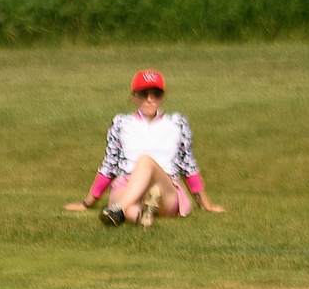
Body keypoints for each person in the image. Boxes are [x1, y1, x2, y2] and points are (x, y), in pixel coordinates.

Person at [66, 70, 224, 226]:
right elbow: (110, 165)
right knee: (129, 207)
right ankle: (141, 216)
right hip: (128, 182)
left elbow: (187, 165)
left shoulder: (177, 123)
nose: (150, 100)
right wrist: (86, 203)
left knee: (145, 161)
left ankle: (121, 209)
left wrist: (206, 205)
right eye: (144, 94)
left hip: (164, 185)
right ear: (134, 96)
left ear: (163, 97)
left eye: (156, 94)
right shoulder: (121, 123)